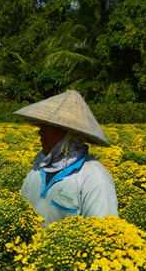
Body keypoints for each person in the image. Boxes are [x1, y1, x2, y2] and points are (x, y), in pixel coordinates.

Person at [13, 89, 118, 227]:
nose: (40, 131)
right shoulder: (38, 168)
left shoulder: (95, 179)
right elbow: (20, 211)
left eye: (49, 125)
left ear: (70, 134)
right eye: (40, 125)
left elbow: (103, 234)